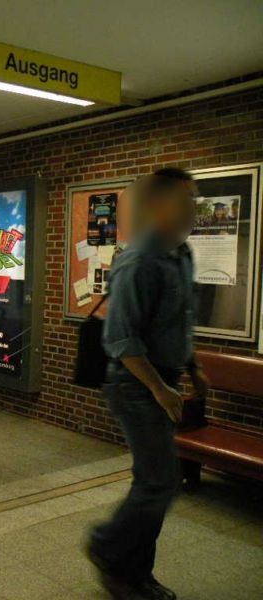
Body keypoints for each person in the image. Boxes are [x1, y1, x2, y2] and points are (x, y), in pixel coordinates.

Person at [87, 168, 211, 600]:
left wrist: (192, 368)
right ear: (158, 206)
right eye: (184, 201)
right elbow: (121, 339)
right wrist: (160, 388)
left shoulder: (182, 255)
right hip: (136, 385)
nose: (193, 210)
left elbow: (179, 322)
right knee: (159, 482)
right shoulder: (139, 260)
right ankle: (107, 547)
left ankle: (133, 575)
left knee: (154, 482)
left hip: (165, 381)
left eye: (194, 201)